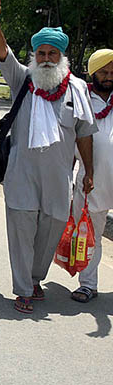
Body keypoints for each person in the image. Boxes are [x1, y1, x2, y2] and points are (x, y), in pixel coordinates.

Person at [0, 0, 96, 313]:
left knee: (52, 227)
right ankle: (22, 288)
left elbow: (85, 134)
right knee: (21, 229)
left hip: (59, 176)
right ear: (34, 55)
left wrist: (88, 172)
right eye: (41, 53)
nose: (46, 58)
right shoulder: (23, 80)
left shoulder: (76, 88)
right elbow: (3, 52)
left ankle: (36, 278)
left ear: (62, 58)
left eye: (52, 54)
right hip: (21, 172)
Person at [70, 49, 113, 303]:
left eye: (112, 73)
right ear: (92, 72)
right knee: (90, 236)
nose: (108, 77)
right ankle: (88, 284)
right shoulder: (79, 99)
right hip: (90, 181)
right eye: (103, 72)